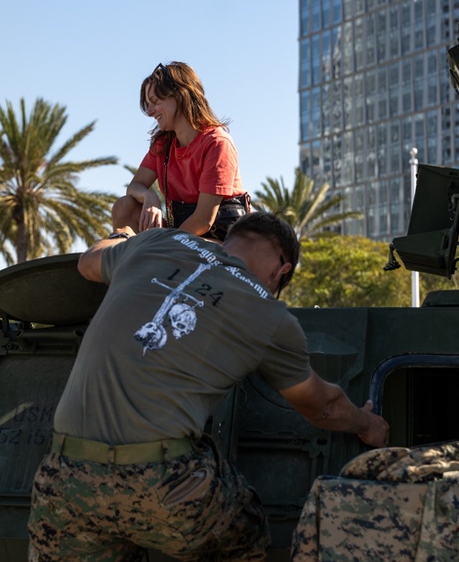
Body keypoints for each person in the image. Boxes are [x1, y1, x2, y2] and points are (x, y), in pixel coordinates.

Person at [27, 212, 389, 561]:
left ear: (228, 239)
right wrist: (369, 425)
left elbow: (88, 262)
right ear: (282, 271)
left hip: (65, 474)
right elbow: (322, 407)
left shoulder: (156, 241)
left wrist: (124, 233)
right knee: (243, 538)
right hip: (163, 484)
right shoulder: (270, 314)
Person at [112, 62, 251, 241]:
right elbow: (134, 186)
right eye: (147, 105)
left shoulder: (216, 143)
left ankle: (139, 257)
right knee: (125, 205)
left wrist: (162, 246)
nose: (149, 112)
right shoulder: (163, 145)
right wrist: (149, 197)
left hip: (220, 241)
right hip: (181, 235)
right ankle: (126, 252)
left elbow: (203, 220)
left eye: (155, 102)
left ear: (180, 95)